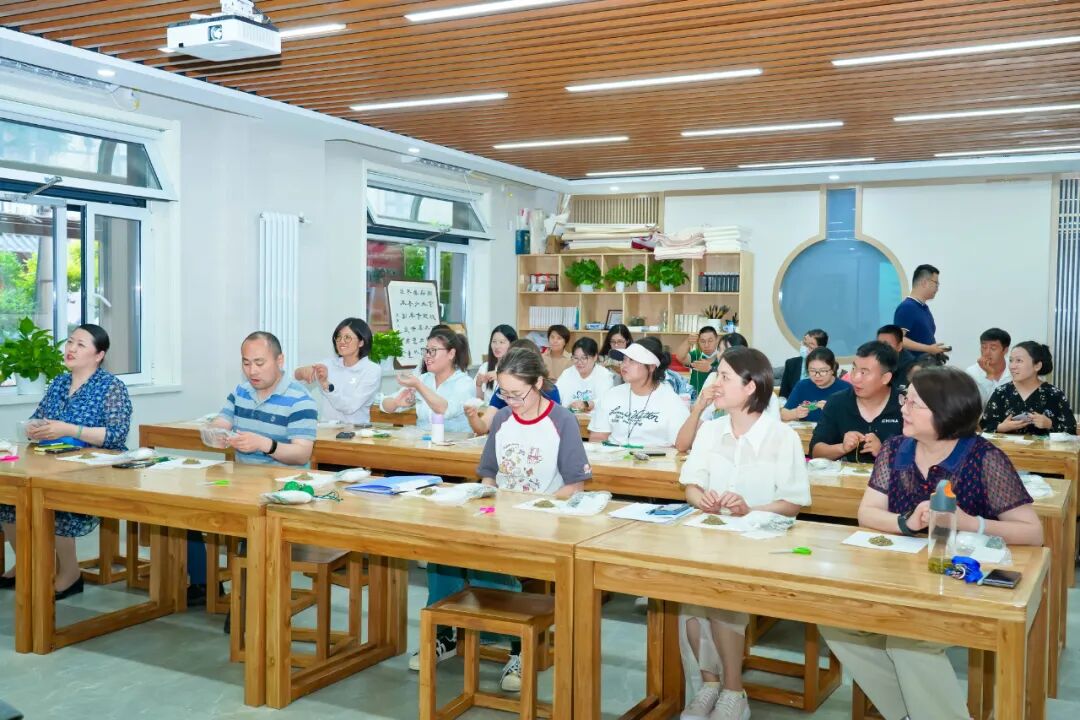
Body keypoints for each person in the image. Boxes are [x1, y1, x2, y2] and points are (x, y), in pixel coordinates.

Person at [821, 367, 1042, 720]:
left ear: (945, 412)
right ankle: (910, 713)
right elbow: (867, 514)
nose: (903, 408)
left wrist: (969, 523)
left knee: (907, 638)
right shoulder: (895, 449)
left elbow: (1032, 532)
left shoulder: (983, 457)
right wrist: (906, 522)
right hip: (903, 579)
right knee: (834, 620)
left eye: (914, 404)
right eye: (905, 400)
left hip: (963, 582)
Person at [411, 347, 592, 691]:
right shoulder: (503, 419)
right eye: (504, 394)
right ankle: (444, 635)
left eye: (517, 394)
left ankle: (519, 647)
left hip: (544, 521)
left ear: (538, 383)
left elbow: (575, 485)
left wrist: (536, 507)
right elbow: (489, 474)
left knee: (495, 557)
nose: (511, 402)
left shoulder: (561, 420)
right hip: (500, 515)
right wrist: (487, 498)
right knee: (444, 550)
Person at [678, 347, 810, 720]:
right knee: (686, 598)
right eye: (716, 375)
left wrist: (750, 510)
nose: (715, 384)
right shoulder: (711, 431)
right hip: (711, 534)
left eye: (724, 377)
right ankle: (709, 685)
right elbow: (691, 486)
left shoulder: (781, 437)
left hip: (761, 542)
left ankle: (734, 691)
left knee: (722, 595)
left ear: (751, 386)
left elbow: (793, 503)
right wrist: (702, 499)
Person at [0, 324, 132, 599]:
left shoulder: (111, 387)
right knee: (8, 501)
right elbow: (38, 417)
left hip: (95, 465)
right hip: (54, 460)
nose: (71, 349)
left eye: (80, 345)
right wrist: (33, 428)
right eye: (70, 342)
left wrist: (70, 429)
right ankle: (27, 563)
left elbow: (116, 435)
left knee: (55, 503)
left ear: (99, 355)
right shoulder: (59, 383)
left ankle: (70, 573)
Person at [204, 331, 317, 607]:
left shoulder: (300, 399)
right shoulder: (241, 392)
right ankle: (217, 592)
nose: (252, 371)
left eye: (259, 363)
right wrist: (216, 434)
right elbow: (219, 423)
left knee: (255, 538)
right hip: (244, 485)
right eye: (246, 363)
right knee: (194, 511)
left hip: (283, 490)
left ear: (280, 360)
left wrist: (265, 444)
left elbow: (302, 453)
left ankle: (251, 612)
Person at [810, 341, 902, 462]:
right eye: (854, 369)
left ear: (885, 378)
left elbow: (920, 459)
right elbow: (815, 452)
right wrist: (842, 448)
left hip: (890, 475)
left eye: (864, 372)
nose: (855, 378)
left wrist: (884, 452)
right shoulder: (837, 402)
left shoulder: (906, 405)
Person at [589, 337, 690, 447]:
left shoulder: (671, 401)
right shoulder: (612, 395)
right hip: (613, 456)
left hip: (653, 457)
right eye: (624, 359)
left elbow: (681, 446)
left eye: (632, 360)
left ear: (651, 367)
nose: (624, 365)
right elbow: (597, 438)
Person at [382, 329, 473, 433]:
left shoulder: (465, 383)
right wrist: (396, 403)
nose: (427, 355)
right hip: (424, 440)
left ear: (451, 354)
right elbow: (384, 405)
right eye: (426, 350)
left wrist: (419, 386)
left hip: (456, 441)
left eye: (433, 350)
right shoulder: (424, 379)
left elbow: (445, 410)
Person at [294, 317, 381, 424]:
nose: (341, 341)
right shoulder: (329, 364)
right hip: (326, 429)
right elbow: (296, 379)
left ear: (361, 342)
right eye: (338, 337)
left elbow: (350, 407)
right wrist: (302, 372)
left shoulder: (371, 370)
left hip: (355, 431)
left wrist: (327, 385)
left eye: (347, 337)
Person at [981, 341, 1077, 436]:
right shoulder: (1001, 392)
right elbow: (984, 425)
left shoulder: (1054, 394)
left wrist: (1049, 424)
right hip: (1006, 446)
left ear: (1037, 366)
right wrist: (1001, 427)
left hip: (1044, 447)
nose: (1012, 366)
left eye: (1019, 361)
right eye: (1011, 360)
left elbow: (1071, 430)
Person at [780, 347, 851, 423]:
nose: (817, 375)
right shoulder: (802, 386)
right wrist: (795, 413)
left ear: (833, 369)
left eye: (823, 371)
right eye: (812, 371)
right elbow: (783, 414)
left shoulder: (846, 389)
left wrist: (833, 412)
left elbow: (854, 420)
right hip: (807, 430)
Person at [893, 264, 949, 357]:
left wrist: (936, 351)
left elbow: (924, 339)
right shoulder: (907, 307)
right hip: (914, 364)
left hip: (927, 363)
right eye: (936, 283)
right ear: (924, 283)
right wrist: (928, 349)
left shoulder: (923, 308)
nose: (937, 288)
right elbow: (899, 339)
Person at [556, 336, 614, 412]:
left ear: (595, 357)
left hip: (595, 418)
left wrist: (586, 404)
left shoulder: (604, 375)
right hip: (570, 417)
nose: (579, 362)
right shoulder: (567, 373)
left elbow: (605, 401)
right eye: (576, 358)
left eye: (584, 358)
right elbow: (556, 396)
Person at [965, 327, 1011, 405]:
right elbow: (975, 404)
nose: (987, 353)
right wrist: (989, 376)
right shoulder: (971, 372)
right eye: (984, 347)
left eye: (993, 348)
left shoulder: (1015, 369)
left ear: (1005, 350)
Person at [778, 328, 828, 400]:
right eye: (804, 344)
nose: (805, 348)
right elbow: (783, 395)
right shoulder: (791, 364)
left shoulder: (827, 368)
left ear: (821, 349)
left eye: (810, 346)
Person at [474, 324, 517, 401]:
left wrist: (501, 378)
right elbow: (479, 401)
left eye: (501, 342)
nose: (497, 346)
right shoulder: (485, 367)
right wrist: (478, 384)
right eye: (494, 342)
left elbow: (517, 400)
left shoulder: (518, 368)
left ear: (512, 344)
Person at [675, 326, 721, 398]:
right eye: (702, 341)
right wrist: (688, 342)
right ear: (698, 342)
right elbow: (680, 357)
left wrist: (711, 369)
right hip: (696, 400)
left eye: (710, 341)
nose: (706, 345)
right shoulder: (696, 355)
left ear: (717, 340)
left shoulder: (723, 357)